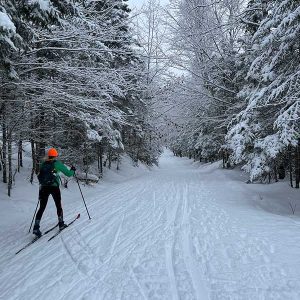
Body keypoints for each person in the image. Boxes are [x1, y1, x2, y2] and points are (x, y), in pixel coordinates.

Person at [33, 148, 76, 237]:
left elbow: (40, 175)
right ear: (56, 155)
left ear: (48, 155)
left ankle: (36, 227)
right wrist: (73, 170)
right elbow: (68, 174)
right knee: (58, 205)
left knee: (41, 207)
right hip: (54, 187)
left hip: (44, 187)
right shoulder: (57, 164)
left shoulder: (43, 164)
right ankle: (61, 224)